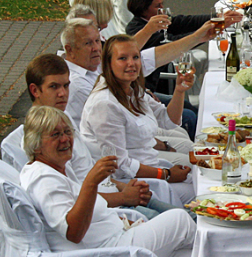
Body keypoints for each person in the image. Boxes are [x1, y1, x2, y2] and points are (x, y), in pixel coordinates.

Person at [19, 105, 199, 257]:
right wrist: (91, 183)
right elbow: (73, 232)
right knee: (180, 220)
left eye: (67, 132)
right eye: (55, 135)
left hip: (115, 241)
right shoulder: (44, 180)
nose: (65, 139)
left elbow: (87, 210)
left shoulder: (55, 168)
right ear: (36, 145)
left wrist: (121, 213)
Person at [25, 54, 177, 217]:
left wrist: (124, 188)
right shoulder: (41, 140)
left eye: (66, 86)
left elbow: (89, 169)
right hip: (104, 209)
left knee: (184, 215)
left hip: (114, 188)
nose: (62, 93)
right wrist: (125, 196)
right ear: (35, 90)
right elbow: (75, 197)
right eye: (54, 87)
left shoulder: (63, 116)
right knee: (177, 220)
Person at [80, 36, 197, 205]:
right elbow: (120, 165)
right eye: (122, 58)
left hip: (152, 166)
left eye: (135, 57)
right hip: (132, 183)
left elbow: (168, 120)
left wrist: (179, 90)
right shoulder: (105, 104)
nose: (131, 63)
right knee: (200, 195)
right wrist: (166, 174)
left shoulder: (132, 89)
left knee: (200, 179)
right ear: (108, 63)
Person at [125, 0, 241, 92]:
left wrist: (216, 18)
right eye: (157, 6)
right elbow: (174, 42)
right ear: (143, 9)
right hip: (155, 87)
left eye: (162, 4)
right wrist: (202, 35)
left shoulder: (155, 21)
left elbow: (185, 22)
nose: (162, 8)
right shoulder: (137, 30)